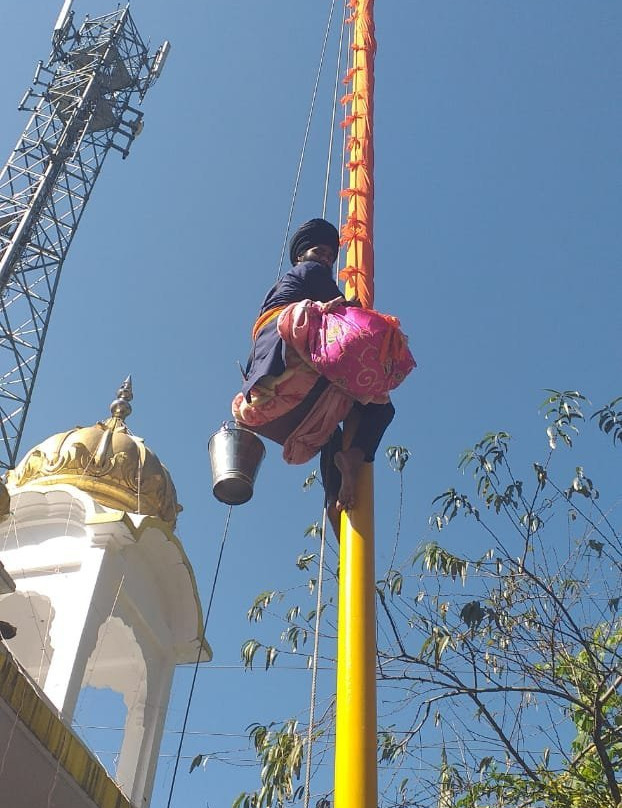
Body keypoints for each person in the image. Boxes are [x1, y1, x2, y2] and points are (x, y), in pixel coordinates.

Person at [235, 218, 396, 523]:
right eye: (318, 251)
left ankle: (338, 485)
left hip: (277, 385)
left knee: (361, 419)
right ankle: (351, 462)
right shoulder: (309, 272)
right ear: (300, 256)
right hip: (292, 347)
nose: (324, 259)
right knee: (377, 391)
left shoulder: (287, 285)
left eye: (329, 256)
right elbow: (346, 311)